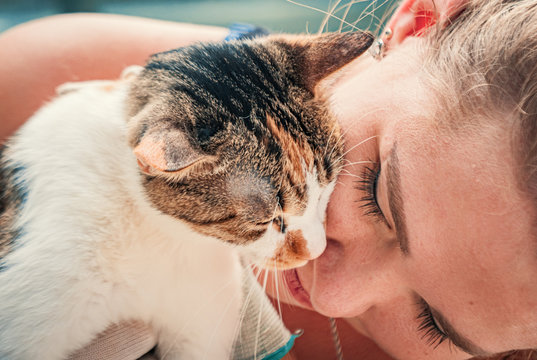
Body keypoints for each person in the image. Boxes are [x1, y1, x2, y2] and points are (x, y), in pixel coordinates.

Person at [1, 0, 536, 359]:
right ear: (415, 22)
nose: (332, 296)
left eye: (433, 324)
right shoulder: (54, 82)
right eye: (374, 195)